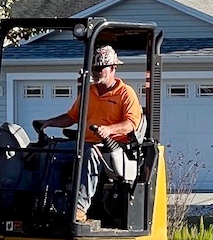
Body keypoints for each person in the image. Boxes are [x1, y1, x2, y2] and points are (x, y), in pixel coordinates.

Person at [32, 44, 143, 221]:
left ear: (113, 68)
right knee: (51, 152)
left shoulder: (125, 93)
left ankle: (80, 208)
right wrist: (49, 122)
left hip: (113, 148)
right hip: (85, 143)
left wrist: (108, 130)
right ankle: (51, 204)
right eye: (94, 68)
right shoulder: (88, 92)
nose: (96, 72)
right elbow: (71, 117)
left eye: (100, 68)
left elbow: (131, 124)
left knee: (90, 153)